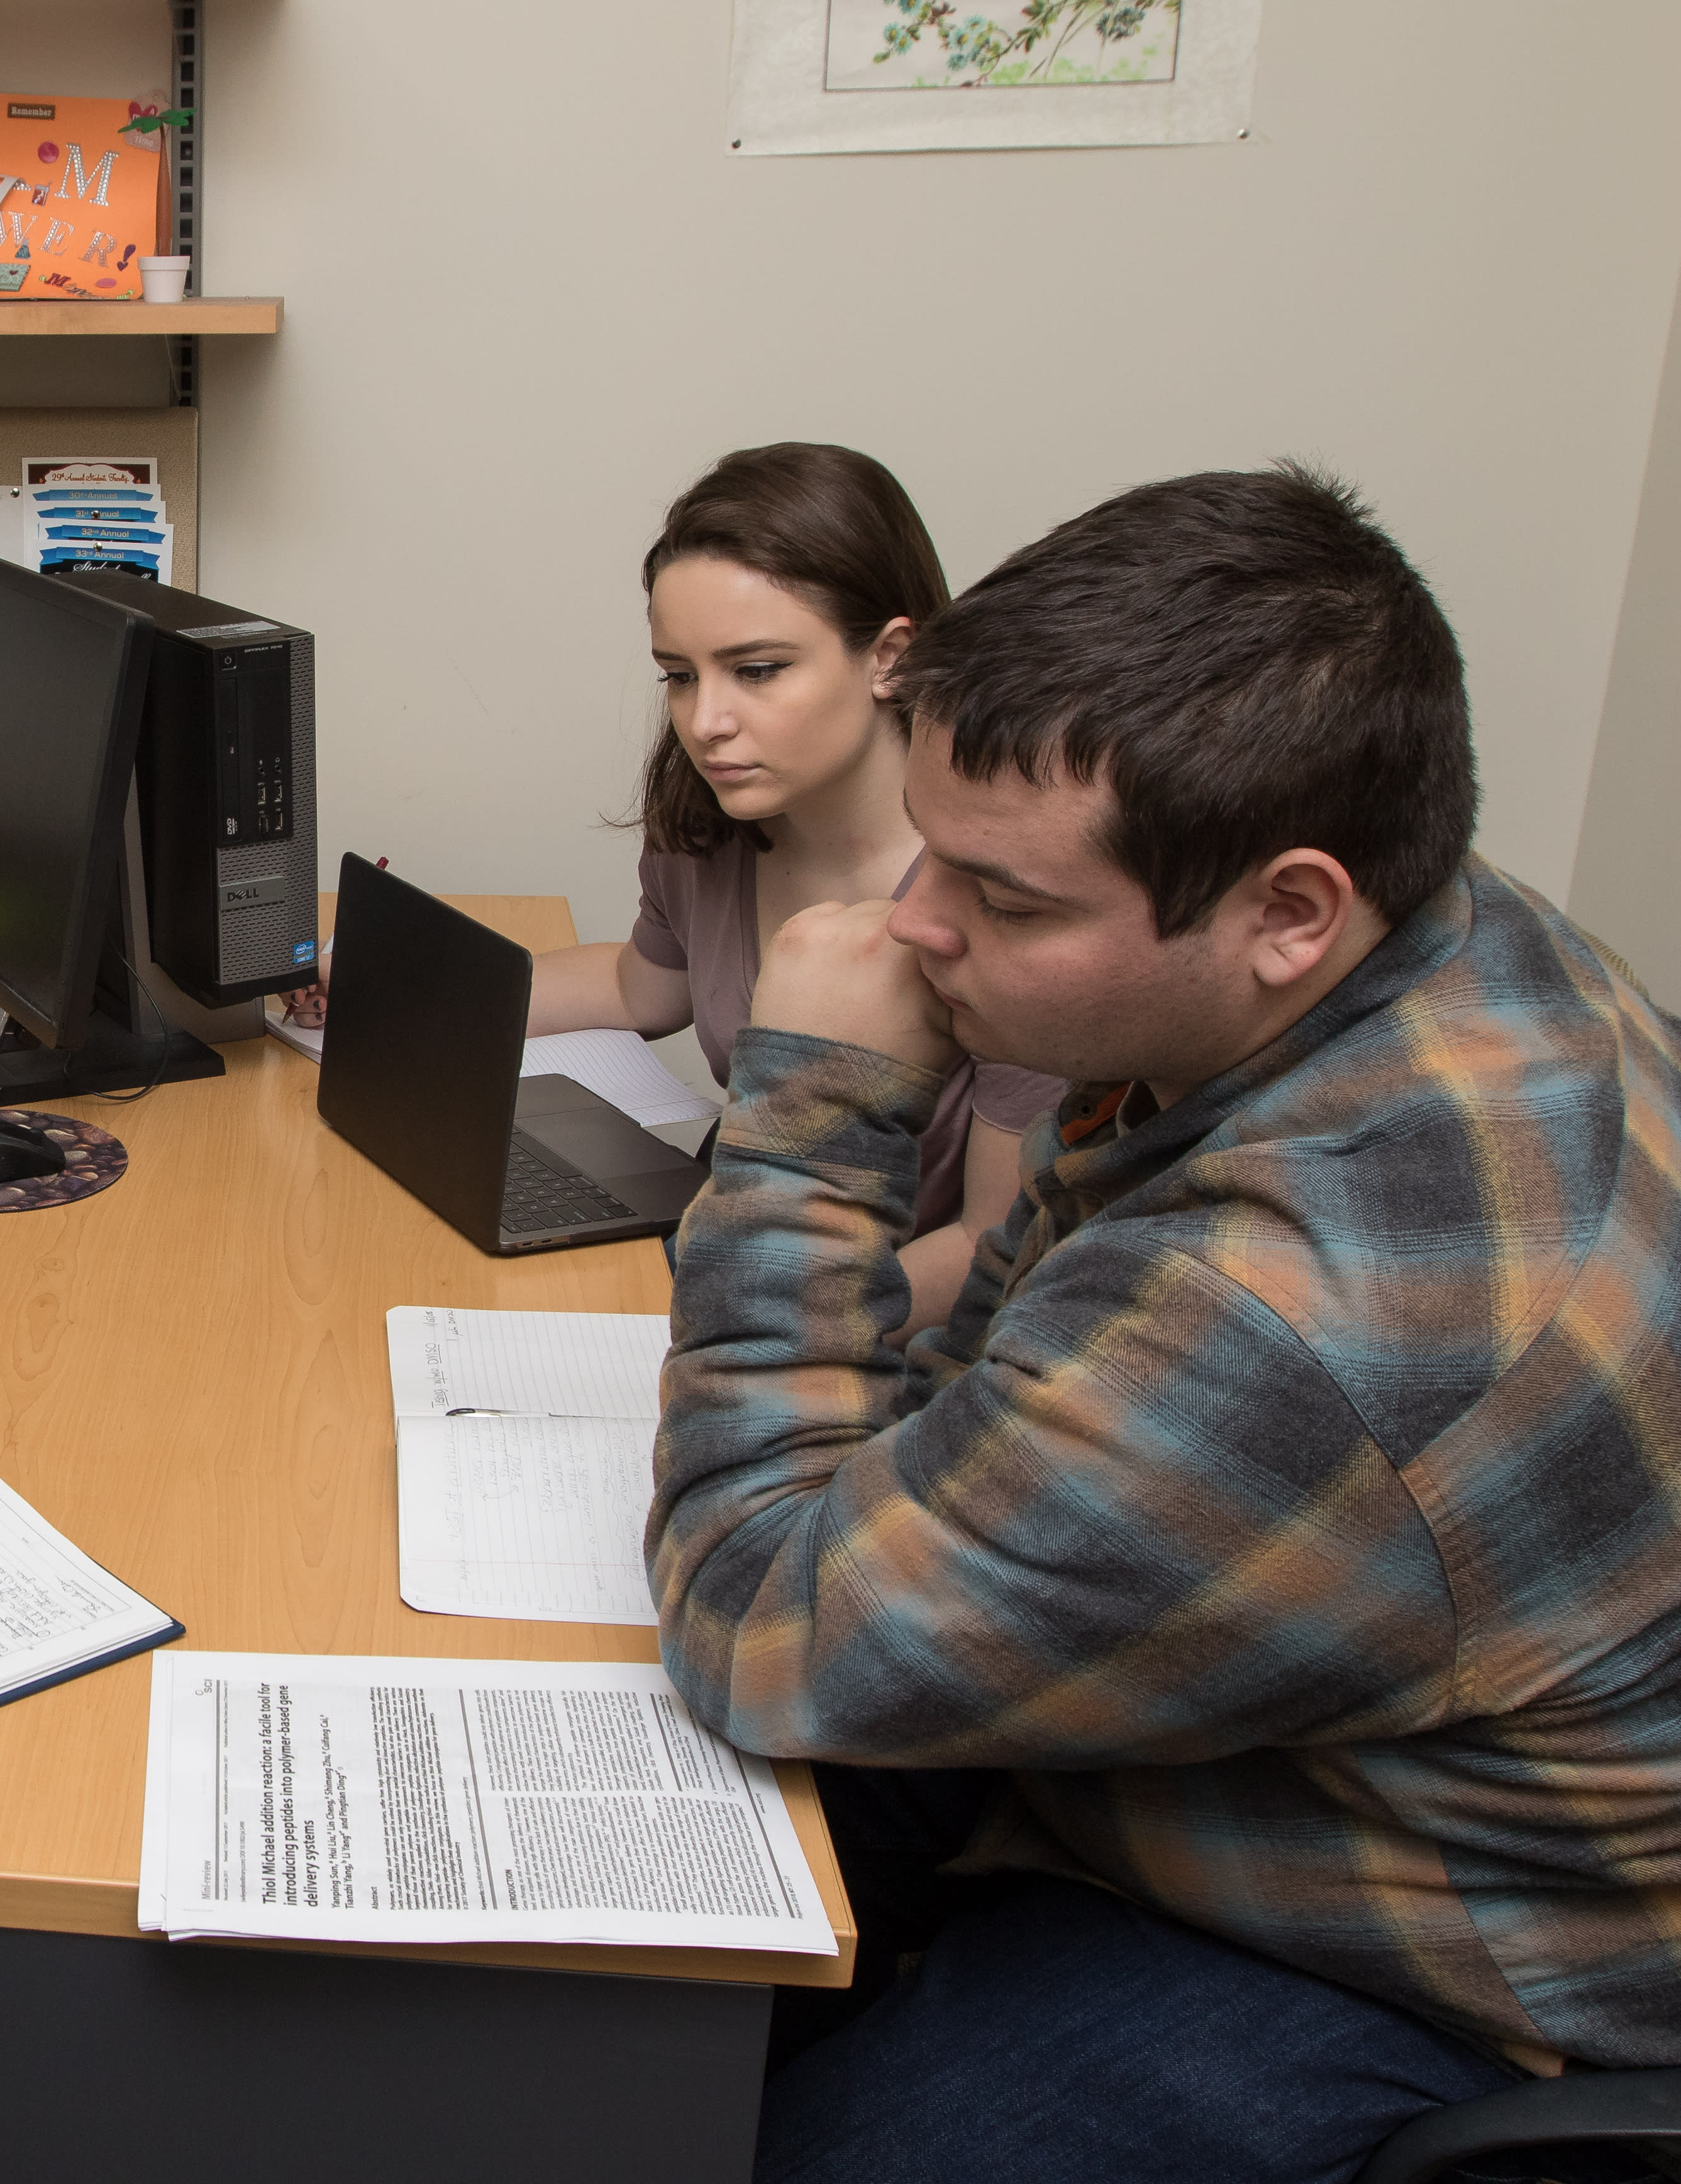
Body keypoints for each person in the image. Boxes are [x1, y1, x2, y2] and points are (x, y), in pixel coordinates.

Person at [650, 465, 1681, 2181]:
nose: (912, 928)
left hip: (1441, 1931)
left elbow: (763, 1625)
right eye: (934, 857)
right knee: (636, 1936)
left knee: (768, 2136)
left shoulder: (1300, 1311)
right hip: (1318, 1701)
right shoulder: (1430, 935)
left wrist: (816, 1107)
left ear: (1290, 910)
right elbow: (1009, 1343)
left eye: (1011, 903)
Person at [291, 445, 1060, 1330]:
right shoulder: (716, 828)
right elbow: (638, 987)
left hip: (880, 1338)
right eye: (680, 677)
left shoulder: (1004, 901)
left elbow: (984, 1248)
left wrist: (746, 1332)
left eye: (758, 671)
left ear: (890, 658)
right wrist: (383, 991)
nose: (707, 722)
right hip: (738, 1267)